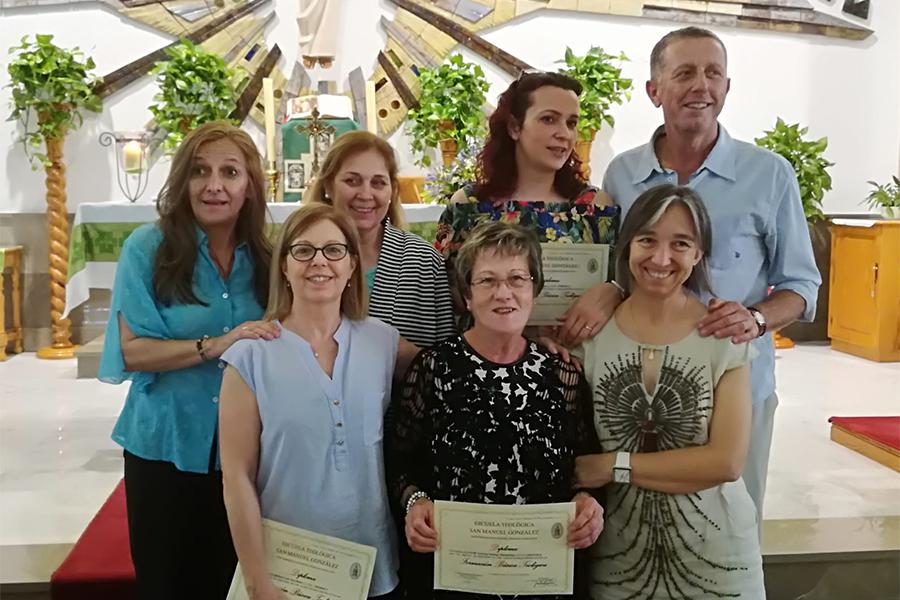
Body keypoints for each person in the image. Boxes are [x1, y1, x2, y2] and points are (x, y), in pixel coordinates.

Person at [599, 26, 821, 527]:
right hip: (637, 392)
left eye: (713, 73)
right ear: (654, 89)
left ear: (726, 87)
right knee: (636, 527)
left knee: (730, 524)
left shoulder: (769, 174)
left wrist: (756, 320)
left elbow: (802, 287)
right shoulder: (621, 175)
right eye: (684, 73)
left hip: (736, 390)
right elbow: (619, 273)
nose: (701, 86)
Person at [98, 120, 279, 599]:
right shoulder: (148, 249)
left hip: (244, 454)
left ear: (250, 186)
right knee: (169, 583)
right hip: (165, 445)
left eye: (230, 172)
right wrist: (214, 345)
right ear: (183, 180)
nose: (214, 185)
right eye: (200, 171)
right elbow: (132, 351)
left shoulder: (268, 255)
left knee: (234, 582)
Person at [389, 221, 604, 600]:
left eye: (517, 278)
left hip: (542, 581)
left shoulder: (562, 374)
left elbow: (584, 468)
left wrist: (587, 502)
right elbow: (398, 462)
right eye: (487, 281)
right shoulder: (434, 368)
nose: (504, 292)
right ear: (467, 297)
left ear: (534, 289)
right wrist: (415, 501)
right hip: (452, 579)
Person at [219, 204, 420, 600]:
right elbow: (237, 479)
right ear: (284, 266)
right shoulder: (250, 357)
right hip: (288, 570)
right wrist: (258, 580)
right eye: (303, 250)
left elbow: (455, 366)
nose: (319, 263)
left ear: (351, 267)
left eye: (334, 250)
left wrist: (533, 345)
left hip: (370, 563)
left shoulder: (381, 341)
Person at [574, 184, 765, 599]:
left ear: (698, 254)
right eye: (647, 240)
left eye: (680, 244)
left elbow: (726, 462)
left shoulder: (724, 336)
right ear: (626, 247)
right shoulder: (589, 338)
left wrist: (613, 466)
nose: (661, 259)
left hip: (718, 558)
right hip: (618, 559)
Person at [434, 71, 623, 342]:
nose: (563, 134)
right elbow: (444, 294)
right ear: (514, 127)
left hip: (573, 362)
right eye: (549, 119)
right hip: (487, 364)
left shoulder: (595, 206)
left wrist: (612, 291)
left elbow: (622, 282)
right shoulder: (468, 206)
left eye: (571, 123)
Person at [308, 130, 455, 347]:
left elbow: (443, 356)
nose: (366, 194)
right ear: (328, 186)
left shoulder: (423, 261)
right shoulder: (301, 256)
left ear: (392, 191)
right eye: (352, 181)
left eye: (378, 183)